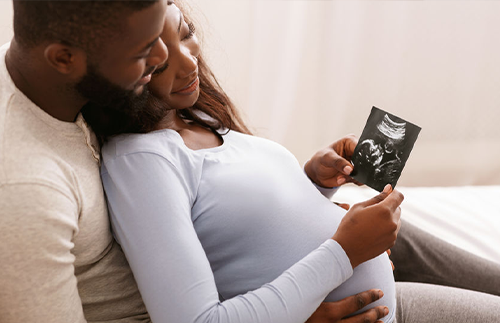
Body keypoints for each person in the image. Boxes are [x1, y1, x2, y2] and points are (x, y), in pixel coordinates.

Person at [82, 2, 500, 323]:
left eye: (186, 34)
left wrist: (313, 183)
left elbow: (237, 228)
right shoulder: (141, 161)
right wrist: (345, 251)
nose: (190, 62)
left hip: (378, 289)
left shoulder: (196, 116)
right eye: (158, 63)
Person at [0, 0, 169, 322]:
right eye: (142, 51)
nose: (162, 56)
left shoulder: (49, 75)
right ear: (64, 58)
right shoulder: (23, 189)